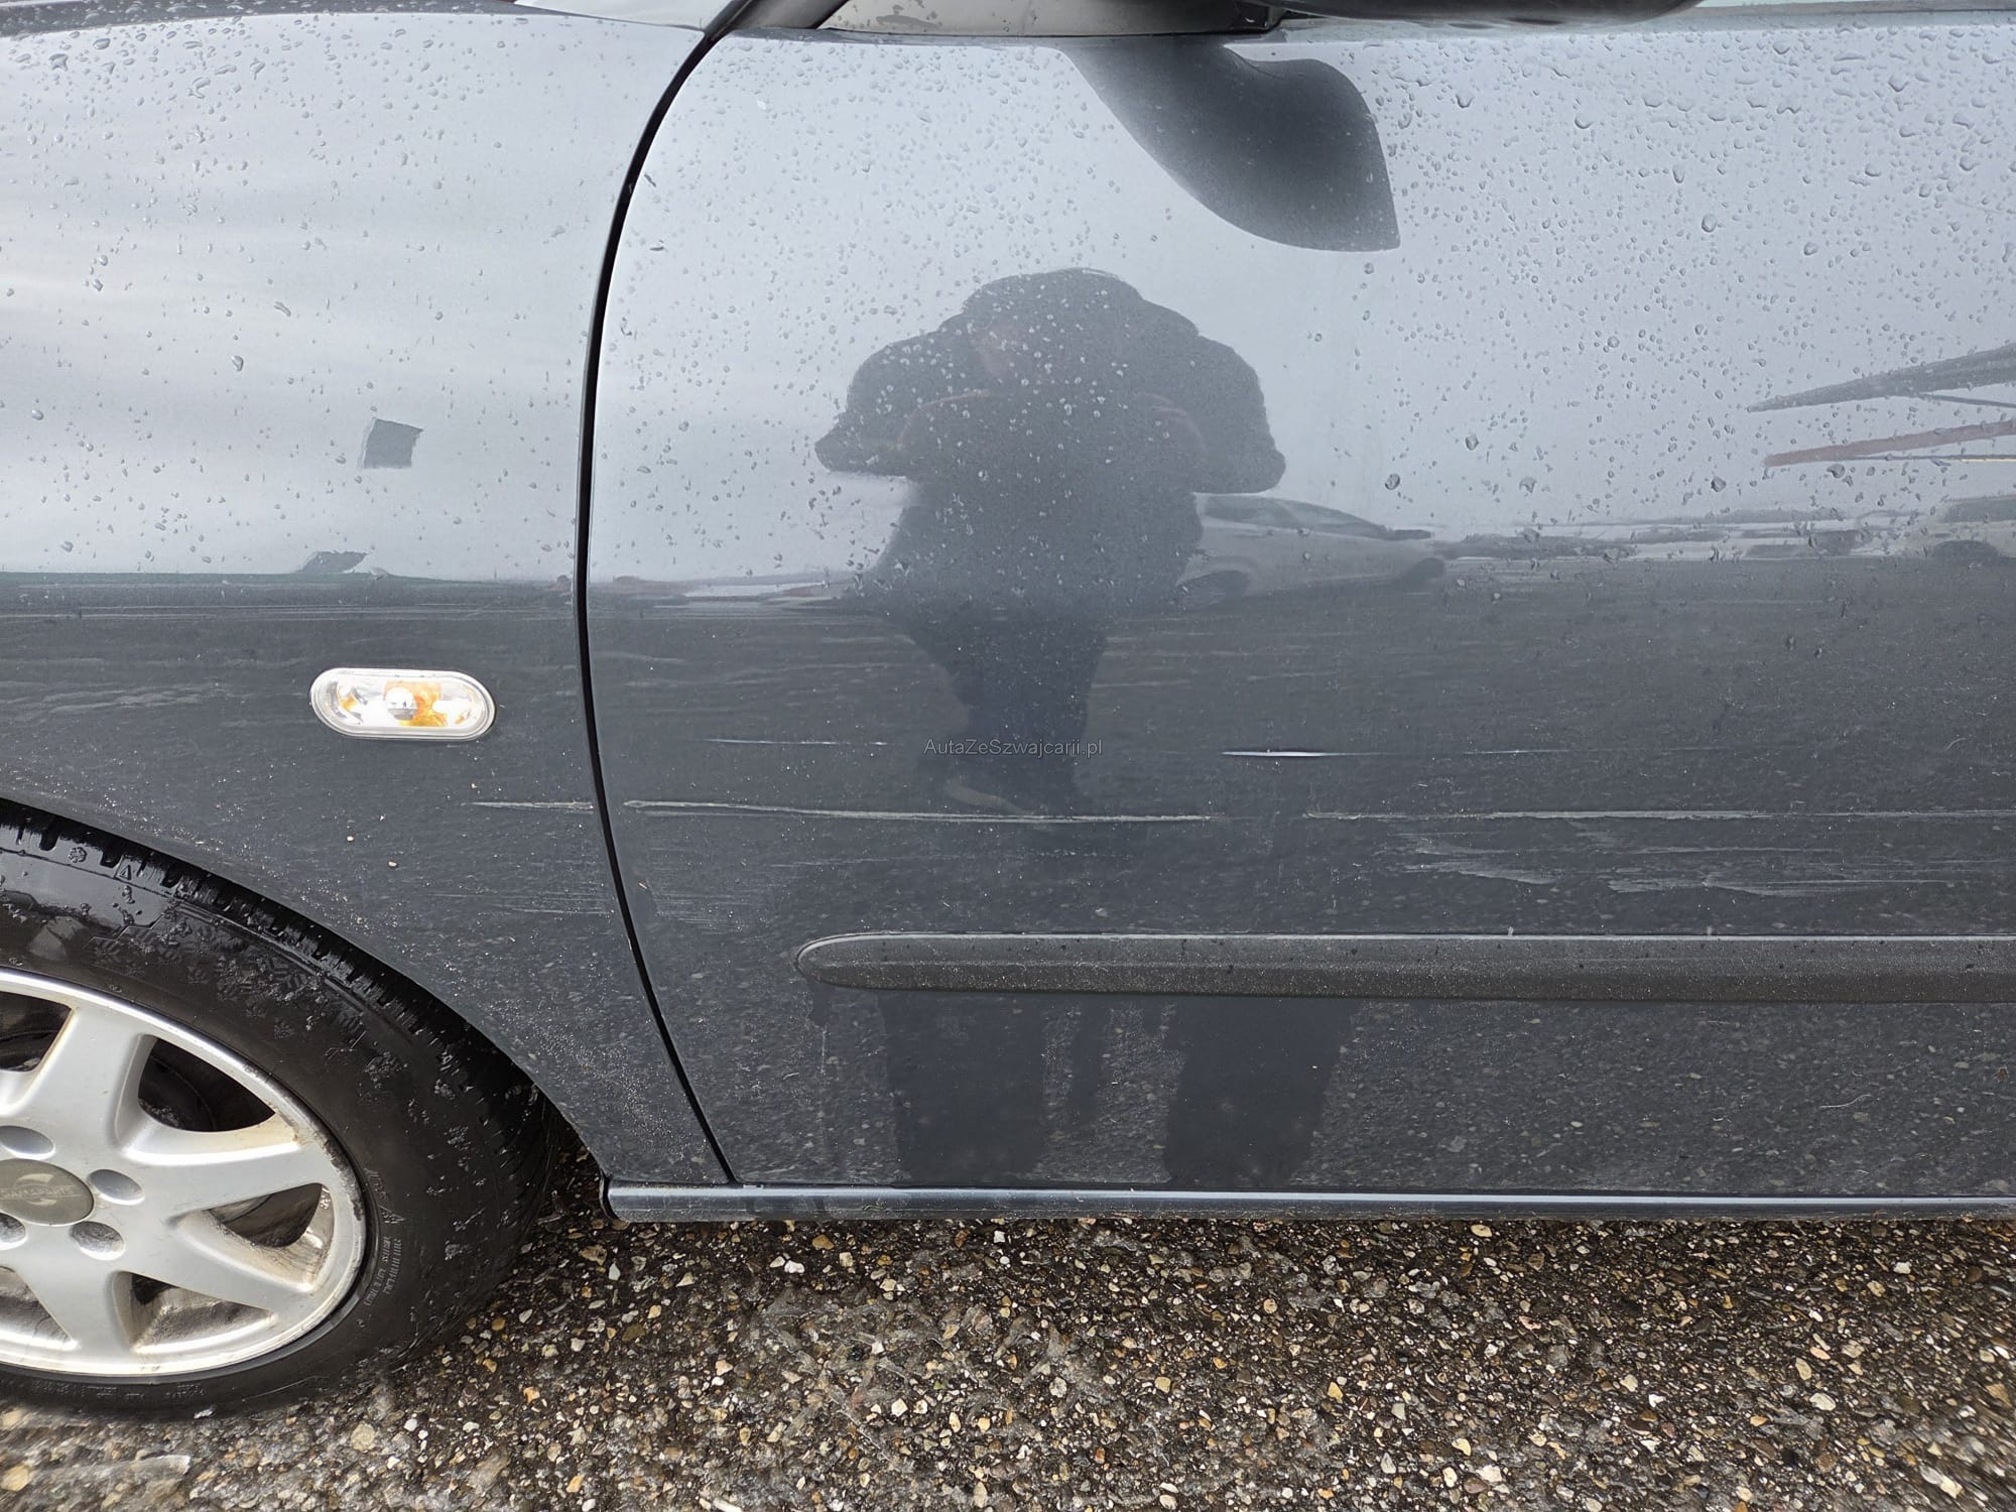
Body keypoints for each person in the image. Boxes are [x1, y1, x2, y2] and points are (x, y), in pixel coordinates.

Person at [817, 269, 1284, 813]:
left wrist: (1197, 456)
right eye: (1026, 354)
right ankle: (1003, 760)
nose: (1049, 370)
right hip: (959, 521)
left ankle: (1018, 774)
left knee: (1054, 614)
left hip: (1126, 523)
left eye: (1074, 351)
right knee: (920, 600)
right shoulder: (917, 365)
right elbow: (839, 447)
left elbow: (1261, 465)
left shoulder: (1198, 367)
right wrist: (906, 446)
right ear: (976, 336)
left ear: (1127, 334)